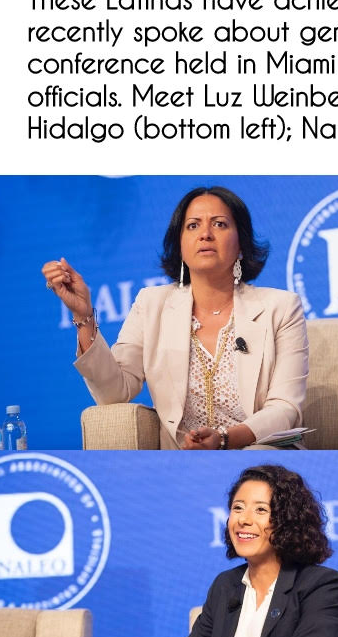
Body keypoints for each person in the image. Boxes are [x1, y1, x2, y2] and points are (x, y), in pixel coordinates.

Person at [41, 186, 309, 449]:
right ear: (180, 246)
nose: (205, 234)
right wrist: (83, 314)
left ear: (241, 245)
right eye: (193, 226)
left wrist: (226, 440)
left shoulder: (281, 308)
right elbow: (115, 392)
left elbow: (285, 408)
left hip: (258, 453)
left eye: (219, 224)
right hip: (182, 463)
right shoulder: (152, 305)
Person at [111, 464, 338, 637]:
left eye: (261, 510)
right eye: (238, 508)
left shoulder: (322, 586)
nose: (244, 519)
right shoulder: (226, 585)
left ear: (288, 520)